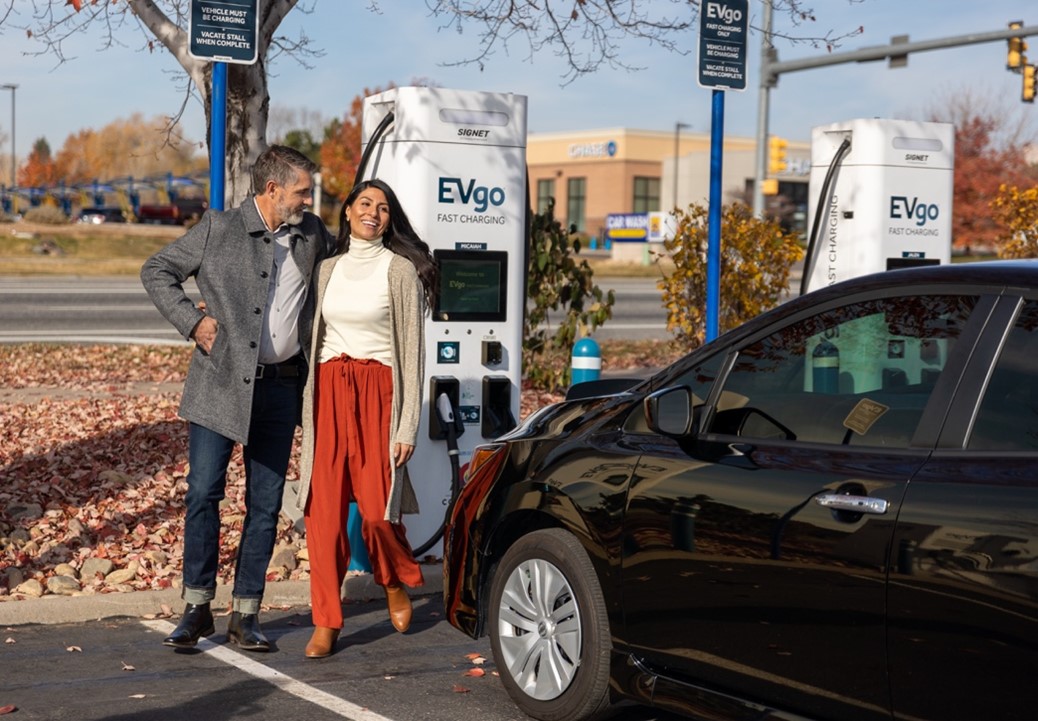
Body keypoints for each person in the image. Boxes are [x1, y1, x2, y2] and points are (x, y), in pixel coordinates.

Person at [141, 145, 334, 652]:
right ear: (272, 190)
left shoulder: (313, 234)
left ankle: (245, 615)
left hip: (281, 390)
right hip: (218, 384)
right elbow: (157, 269)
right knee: (203, 493)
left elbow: (355, 259)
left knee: (265, 505)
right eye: (302, 191)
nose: (310, 200)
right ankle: (196, 608)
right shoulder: (218, 228)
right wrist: (194, 321)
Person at [294, 178, 437, 659]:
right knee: (324, 515)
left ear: (388, 219)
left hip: (381, 394)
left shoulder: (401, 272)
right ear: (349, 211)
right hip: (330, 392)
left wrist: (407, 426)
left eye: (382, 207)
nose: (373, 212)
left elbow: (413, 356)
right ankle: (326, 621)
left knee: (378, 512)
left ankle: (395, 579)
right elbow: (312, 338)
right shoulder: (326, 269)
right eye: (365, 204)